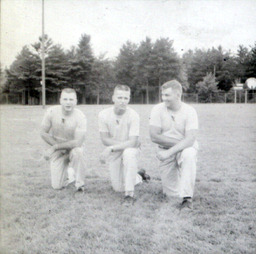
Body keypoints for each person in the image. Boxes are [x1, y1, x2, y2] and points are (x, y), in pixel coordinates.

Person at [149, 80, 198, 209]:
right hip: (166, 149)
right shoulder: (157, 109)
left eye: (167, 95)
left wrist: (170, 152)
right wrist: (184, 143)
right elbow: (154, 136)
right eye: (163, 95)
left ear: (178, 95)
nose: (163, 98)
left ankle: (187, 199)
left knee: (189, 154)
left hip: (182, 150)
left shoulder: (190, 111)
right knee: (171, 195)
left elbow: (191, 139)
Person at [98, 85, 150, 203]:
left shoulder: (133, 115)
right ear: (113, 98)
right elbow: (104, 139)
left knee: (128, 153)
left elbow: (133, 143)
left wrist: (111, 148)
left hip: (129, 150)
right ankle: (139, 176)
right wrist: (123, 145)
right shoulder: (103, 114)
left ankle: (129, 195)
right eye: (119, 97)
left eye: (126, 98)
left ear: (129, 99)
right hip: (117, 150)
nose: (122, 101)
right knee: (118, 188)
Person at [40, 88, 87, 192]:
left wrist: (56, 147)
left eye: (71, 99)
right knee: (57, 186)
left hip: (73, 148)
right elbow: (43, 133)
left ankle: (80, 185)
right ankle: (69, 174)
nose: (68, 102)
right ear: (60, 100)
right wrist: (57, 147)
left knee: (78, 153)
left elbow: (78, 142)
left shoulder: (80, 116)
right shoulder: (51, 112)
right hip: (58, 149)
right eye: (65, 99)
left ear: (76, 101)